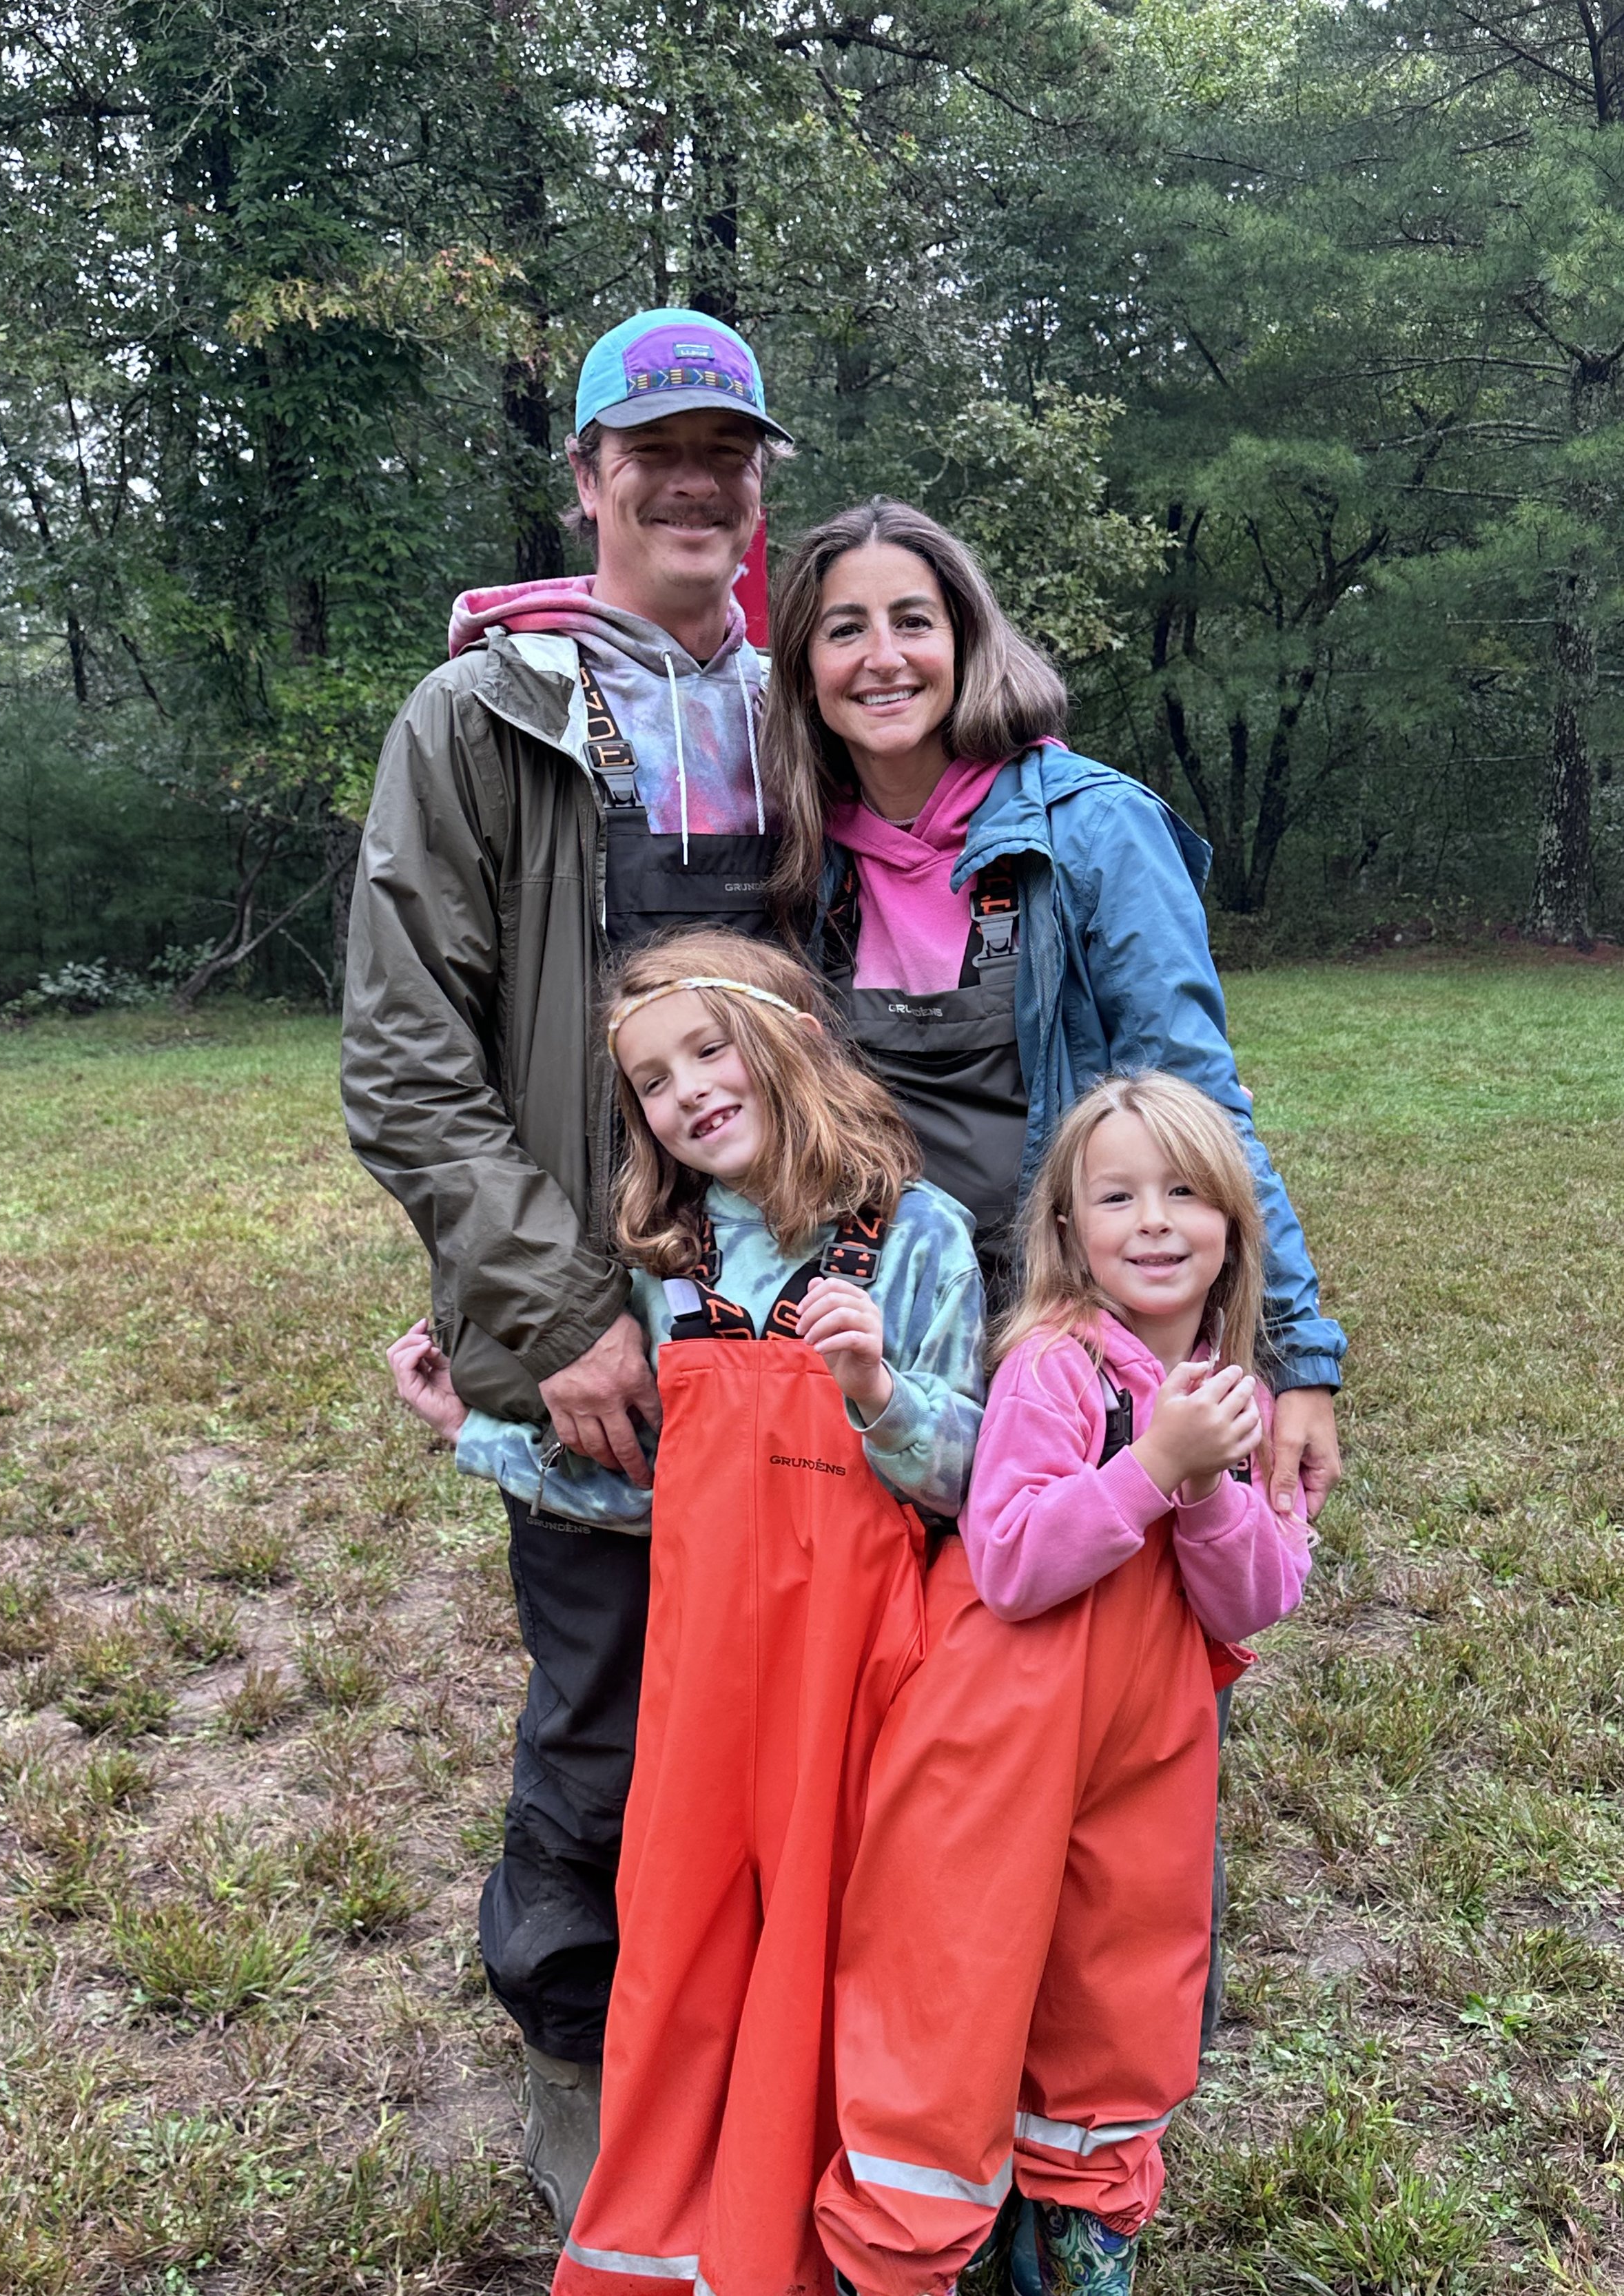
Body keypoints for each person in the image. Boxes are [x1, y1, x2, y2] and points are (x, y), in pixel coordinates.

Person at [759, 497, 1347, 2066]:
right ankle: (939, 2050)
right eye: (841, 627)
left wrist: (1294, 1351)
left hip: (1087, 1351)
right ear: (801, 666)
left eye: (912, 619)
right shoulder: (808, 856)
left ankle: (1104, 2088)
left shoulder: (1086, 824)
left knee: (1120, 1730)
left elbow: (1195, 1097)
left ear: (965, 635)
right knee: (948, 1717)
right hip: (908, 1355)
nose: (881, 656)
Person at [342, 309, 792, 2226]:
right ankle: (579, 2065)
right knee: (603, 1711)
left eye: (727, 453)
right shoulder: (483, 714)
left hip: (800, 1325)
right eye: (653, 450)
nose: (690, 481)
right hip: (594, 1328)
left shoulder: (816, 704)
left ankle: (773, 2063)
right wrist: (548, 1311)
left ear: (757, 487)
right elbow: (404, 1047)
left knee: (799, 1710)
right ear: (588, 480)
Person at [389, 927, 986, 2296]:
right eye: (653, 1080)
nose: (687, 1093)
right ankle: (696, 2227)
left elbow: (967, 1477)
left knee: (850, 1949)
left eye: (709, 1051)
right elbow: (648, 1485)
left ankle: (858, 2233)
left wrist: (882, 1396)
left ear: (790, 1044)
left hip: (860, 1684)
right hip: (704, 1696)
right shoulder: (669, 1262)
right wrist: (469, 1433)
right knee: (693, 1951)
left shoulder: (914, 1237)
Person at [816, 1072, 1314, 2296]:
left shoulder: (1233, 1396)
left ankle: (1077, 2217)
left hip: (1144, 1748)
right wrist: (1153, 1465)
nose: (1153, 1219)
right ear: (1068, 1231)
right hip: (1004, 1735)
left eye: (1186, 1193)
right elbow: (1016, 1558)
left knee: (1117, 1978)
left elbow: (1254, 1598)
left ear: (1233, 1231)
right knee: (959, 1974)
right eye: (1119, 1195)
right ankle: (910, 2240)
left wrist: (1204, 1482)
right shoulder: (1052, 1365)